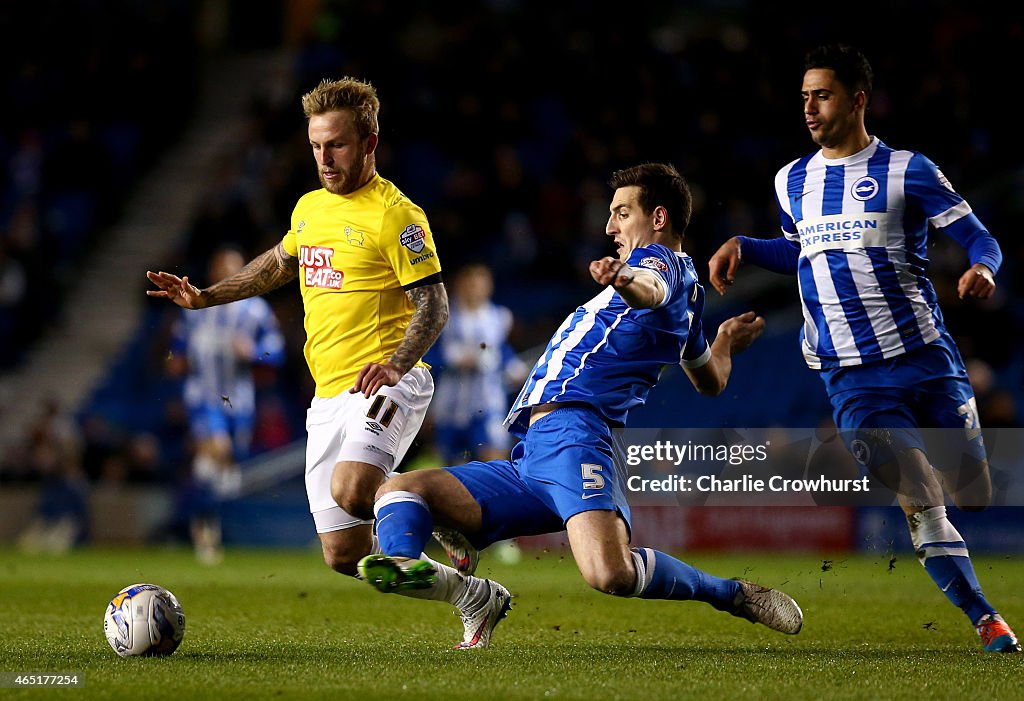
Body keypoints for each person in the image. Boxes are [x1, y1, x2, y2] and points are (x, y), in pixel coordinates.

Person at [356, 163, 803, 649]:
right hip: (536, 451)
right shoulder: (688, 305)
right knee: (400, 489)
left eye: (621, 214)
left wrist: (624, 278)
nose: (610, 227)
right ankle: (410, 566)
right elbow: (711, 380)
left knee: (610, 572)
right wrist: (722, 343)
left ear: (658, 217)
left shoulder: (664, 267)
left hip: (578, 434)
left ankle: (732, 594)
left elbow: (649, 287)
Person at [707, 44, 1019, 653]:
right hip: (851, 377)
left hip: (926, 360)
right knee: (921, 502)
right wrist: (746, 244)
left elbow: (982, 239)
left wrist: (983, 269)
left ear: (856, 99)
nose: (809, 108)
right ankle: (987, 619)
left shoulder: (909, 171)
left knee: (974, 496)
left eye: (820, 95)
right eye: (803, 97)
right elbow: (803, 249)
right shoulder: (791, 179)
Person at [147, 77, 471, 600]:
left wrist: (396, 365)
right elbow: (277, 264)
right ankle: (471, 595)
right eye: (316, 145)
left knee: (354, 487)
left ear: (369, 143)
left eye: (336, 145)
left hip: (386, 381)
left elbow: (435, 304)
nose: (324, 157)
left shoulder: (398, 216)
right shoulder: (309, 208)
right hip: (327, 396)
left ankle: (446, 510)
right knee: (344, 555)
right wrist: (205, 296)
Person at [165, 245, 285, 564]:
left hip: (239, 401)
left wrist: (255, 351)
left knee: (225, 471)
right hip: (203, 396)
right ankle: (199, 526)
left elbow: (277, 352)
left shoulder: (256, 311)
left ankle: (200, 516)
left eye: (234, 269)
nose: (227, 275)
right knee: (217, 449)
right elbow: (175, 349)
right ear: (214, 272)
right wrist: (175, 362)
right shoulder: (197, 308)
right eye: (222, 269)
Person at [430, 263, 527, 465]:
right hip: (450, 406)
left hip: (487, 403)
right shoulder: (440, 316)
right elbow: (428, 355)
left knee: (494, 461)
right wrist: (455, 360)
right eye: (471, 283)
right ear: (459, 284)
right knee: (453, 468)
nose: (476, 289)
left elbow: (501, 351)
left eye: (481, 283)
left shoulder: (500, 317)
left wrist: (515, 369)